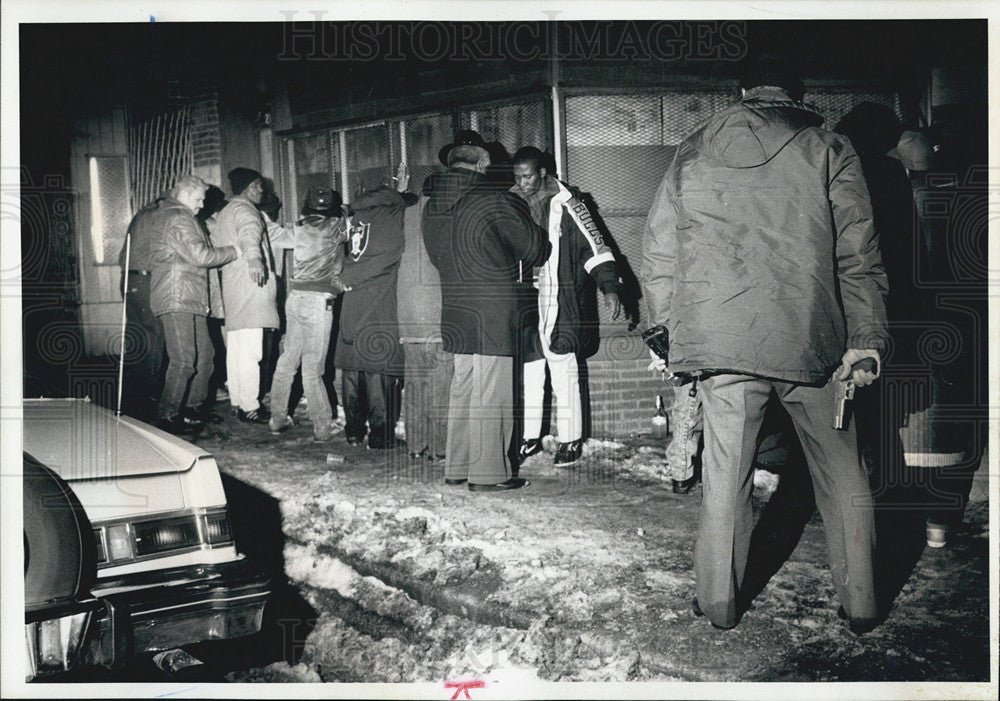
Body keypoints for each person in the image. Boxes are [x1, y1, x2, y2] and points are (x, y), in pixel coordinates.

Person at [641, 64, 889, 634]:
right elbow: (858, 257)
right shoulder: (830, 147)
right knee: (843, 469)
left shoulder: (693, 147)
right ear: (797, 95)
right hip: (814, 340)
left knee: (726, 473)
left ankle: (719, 603)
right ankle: (863, 602)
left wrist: (666, 328)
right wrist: (867, 341)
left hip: (719, 341)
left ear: (743, 93)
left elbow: (660, 249)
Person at [423, 130, 550, 491]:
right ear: (482, 163)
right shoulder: (493, 198)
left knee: (464, 385)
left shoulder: (433, 204)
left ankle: (459, 466)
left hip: (456, 305)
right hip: (494, 307)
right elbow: (534, 250)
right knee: (493, 391)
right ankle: (490, 474)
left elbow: (436, 256)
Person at [509, 146, 623, 467]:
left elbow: (595, 246)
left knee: (563, 366)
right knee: (530, 370)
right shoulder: (510, 202)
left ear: (543, 172)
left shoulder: (570, 204)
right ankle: (531, 437)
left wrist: (609, 286)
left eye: (528, 176)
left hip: (561, 296)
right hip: (524, 297)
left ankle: (570, 439)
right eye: (517, 177)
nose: (522, 183)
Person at [335, 164, 416, 450]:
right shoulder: (394, 213)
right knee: (377, 369)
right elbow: (389, 255)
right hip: (379, 298)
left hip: (352, 300)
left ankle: (354, 431)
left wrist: (347, 277)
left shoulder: (357, 214)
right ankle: (381, 434)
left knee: (352, 368)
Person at [149, 175, 237, 434]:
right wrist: (235, 251)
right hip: (177, 297)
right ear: (185, 194)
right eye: (198, 199)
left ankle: (191, 409)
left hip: (189, 296)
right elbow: (200, 255)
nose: (201, 204)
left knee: (206, 357)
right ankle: (167, 416)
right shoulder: (178, 217)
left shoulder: (181, 216)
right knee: (184, 359)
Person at [267, 188, 349, 442]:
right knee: (313, 368)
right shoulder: (336, 227)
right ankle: (323, 427)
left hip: (296, 298)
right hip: (318, 302)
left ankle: (277, 418)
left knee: (287, 362)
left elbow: (274, 236)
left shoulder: (299, 229)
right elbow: (351, 220)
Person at [214, 167, 279, 424]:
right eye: (256, 185)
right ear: (245, 188)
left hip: (234, 287)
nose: (261, 190)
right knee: (252, 352)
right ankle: (251, 406)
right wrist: (254, 259)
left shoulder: (227, 210)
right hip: (251, 286)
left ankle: (239, 402)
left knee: (238, 350)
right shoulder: (245, 210)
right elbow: (249, 233)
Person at [398, 175, 454, 462]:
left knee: (416, 386)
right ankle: (439, 449)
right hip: (437, 317)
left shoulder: (403, 216)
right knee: (441, 387)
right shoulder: (447, 216)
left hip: (407, 319)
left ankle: (415, 445)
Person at [118, 191, 168, 421]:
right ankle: (149, 403)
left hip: (129, 279)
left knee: (137, 336)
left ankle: (132, 398)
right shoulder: (160, 216)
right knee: (154, 336)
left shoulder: (141, 214)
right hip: (144, 280)